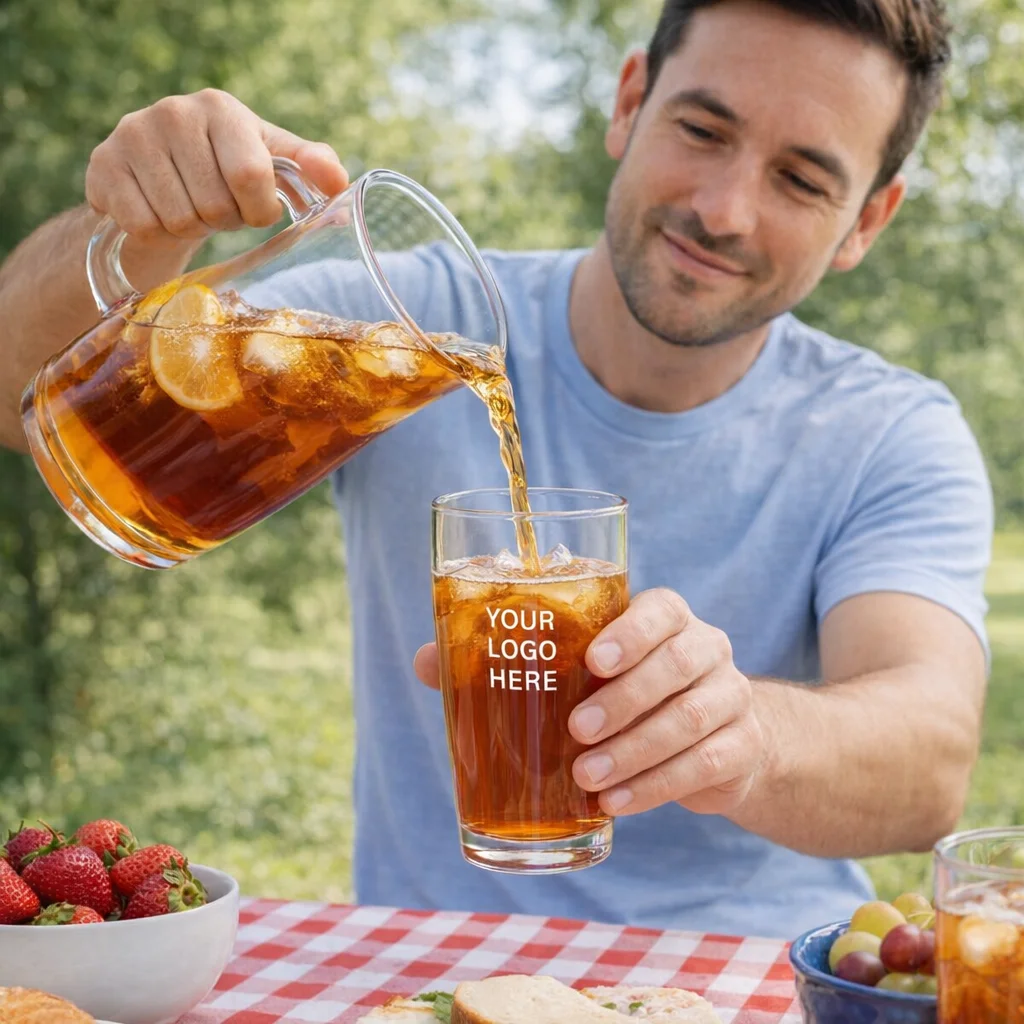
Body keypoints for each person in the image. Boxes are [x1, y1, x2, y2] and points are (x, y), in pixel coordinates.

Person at [0, 0, 993, 938]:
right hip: (429, 963)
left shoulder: (887, 429)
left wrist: (743, 734)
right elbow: (19, 390)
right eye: (701, 128)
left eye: (802, 180)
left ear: (868, 219)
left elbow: (929, 757)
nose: (724, 209)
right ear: (628, 102)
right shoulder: (403, 326)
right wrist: (138, 229)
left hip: (739, 973)